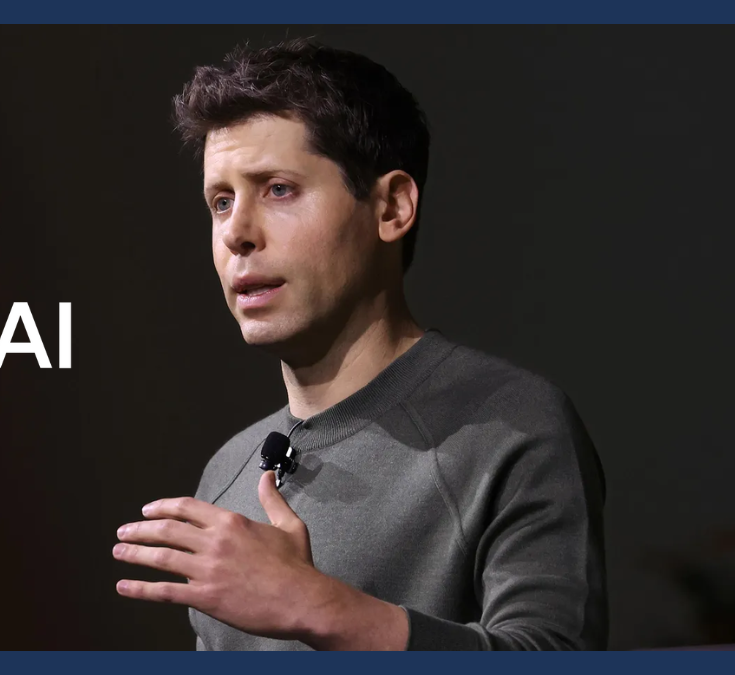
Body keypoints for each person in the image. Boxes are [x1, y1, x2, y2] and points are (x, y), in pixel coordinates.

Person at [111, 38, 608, 650]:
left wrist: (323, 609)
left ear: (392, 207)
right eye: (221, 201)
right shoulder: (226, 471)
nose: (236, 232)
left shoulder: (510, 426)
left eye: (278, 189)